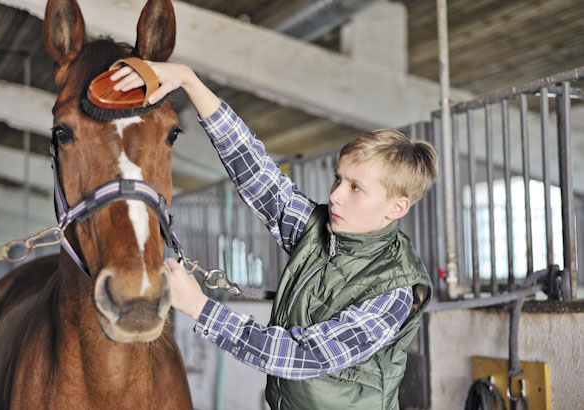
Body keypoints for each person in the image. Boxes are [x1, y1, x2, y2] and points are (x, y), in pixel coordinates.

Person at [111, 61, 438, 410]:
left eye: (356, 188)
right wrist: (190, 82)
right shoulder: (323, 229)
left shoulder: (395, 289)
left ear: (397, 208)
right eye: (338, 179)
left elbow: (302, 356)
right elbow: (258, 174)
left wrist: (199, 307)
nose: (335, 195)